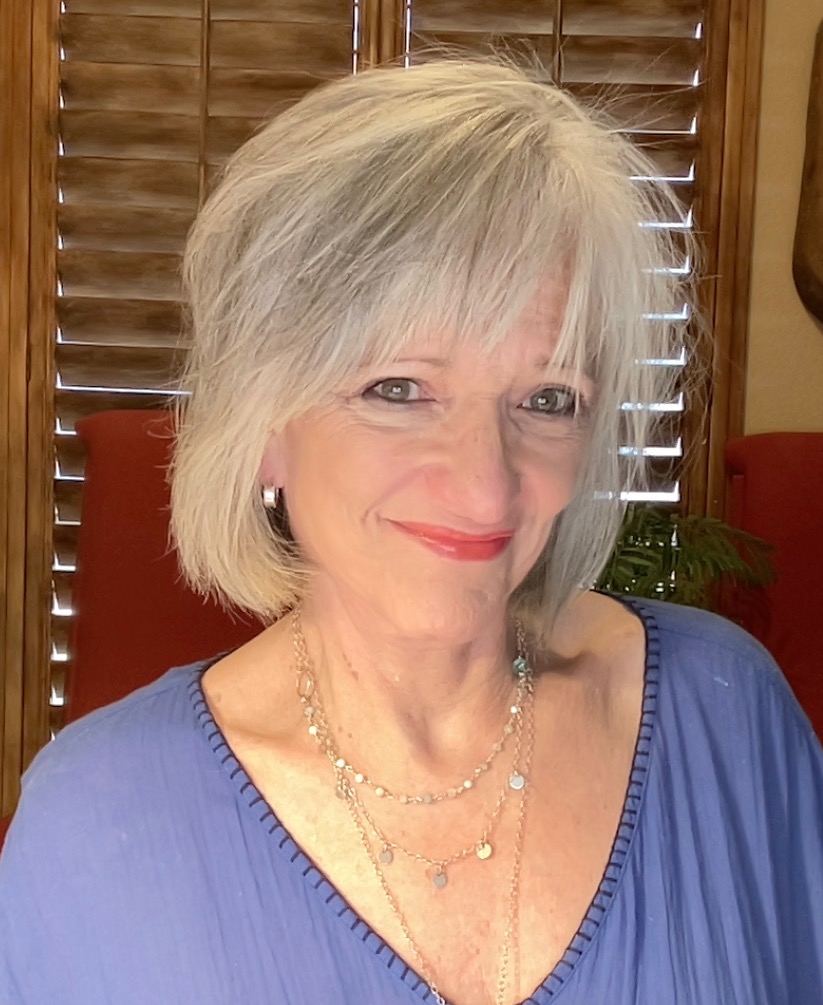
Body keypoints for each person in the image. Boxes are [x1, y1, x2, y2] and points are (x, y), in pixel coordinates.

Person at [1, 58, 822, 1005]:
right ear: (262, 425)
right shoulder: (93, 825)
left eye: (546, 399)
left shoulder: (727, 715)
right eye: (398, 388)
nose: (483, 483)